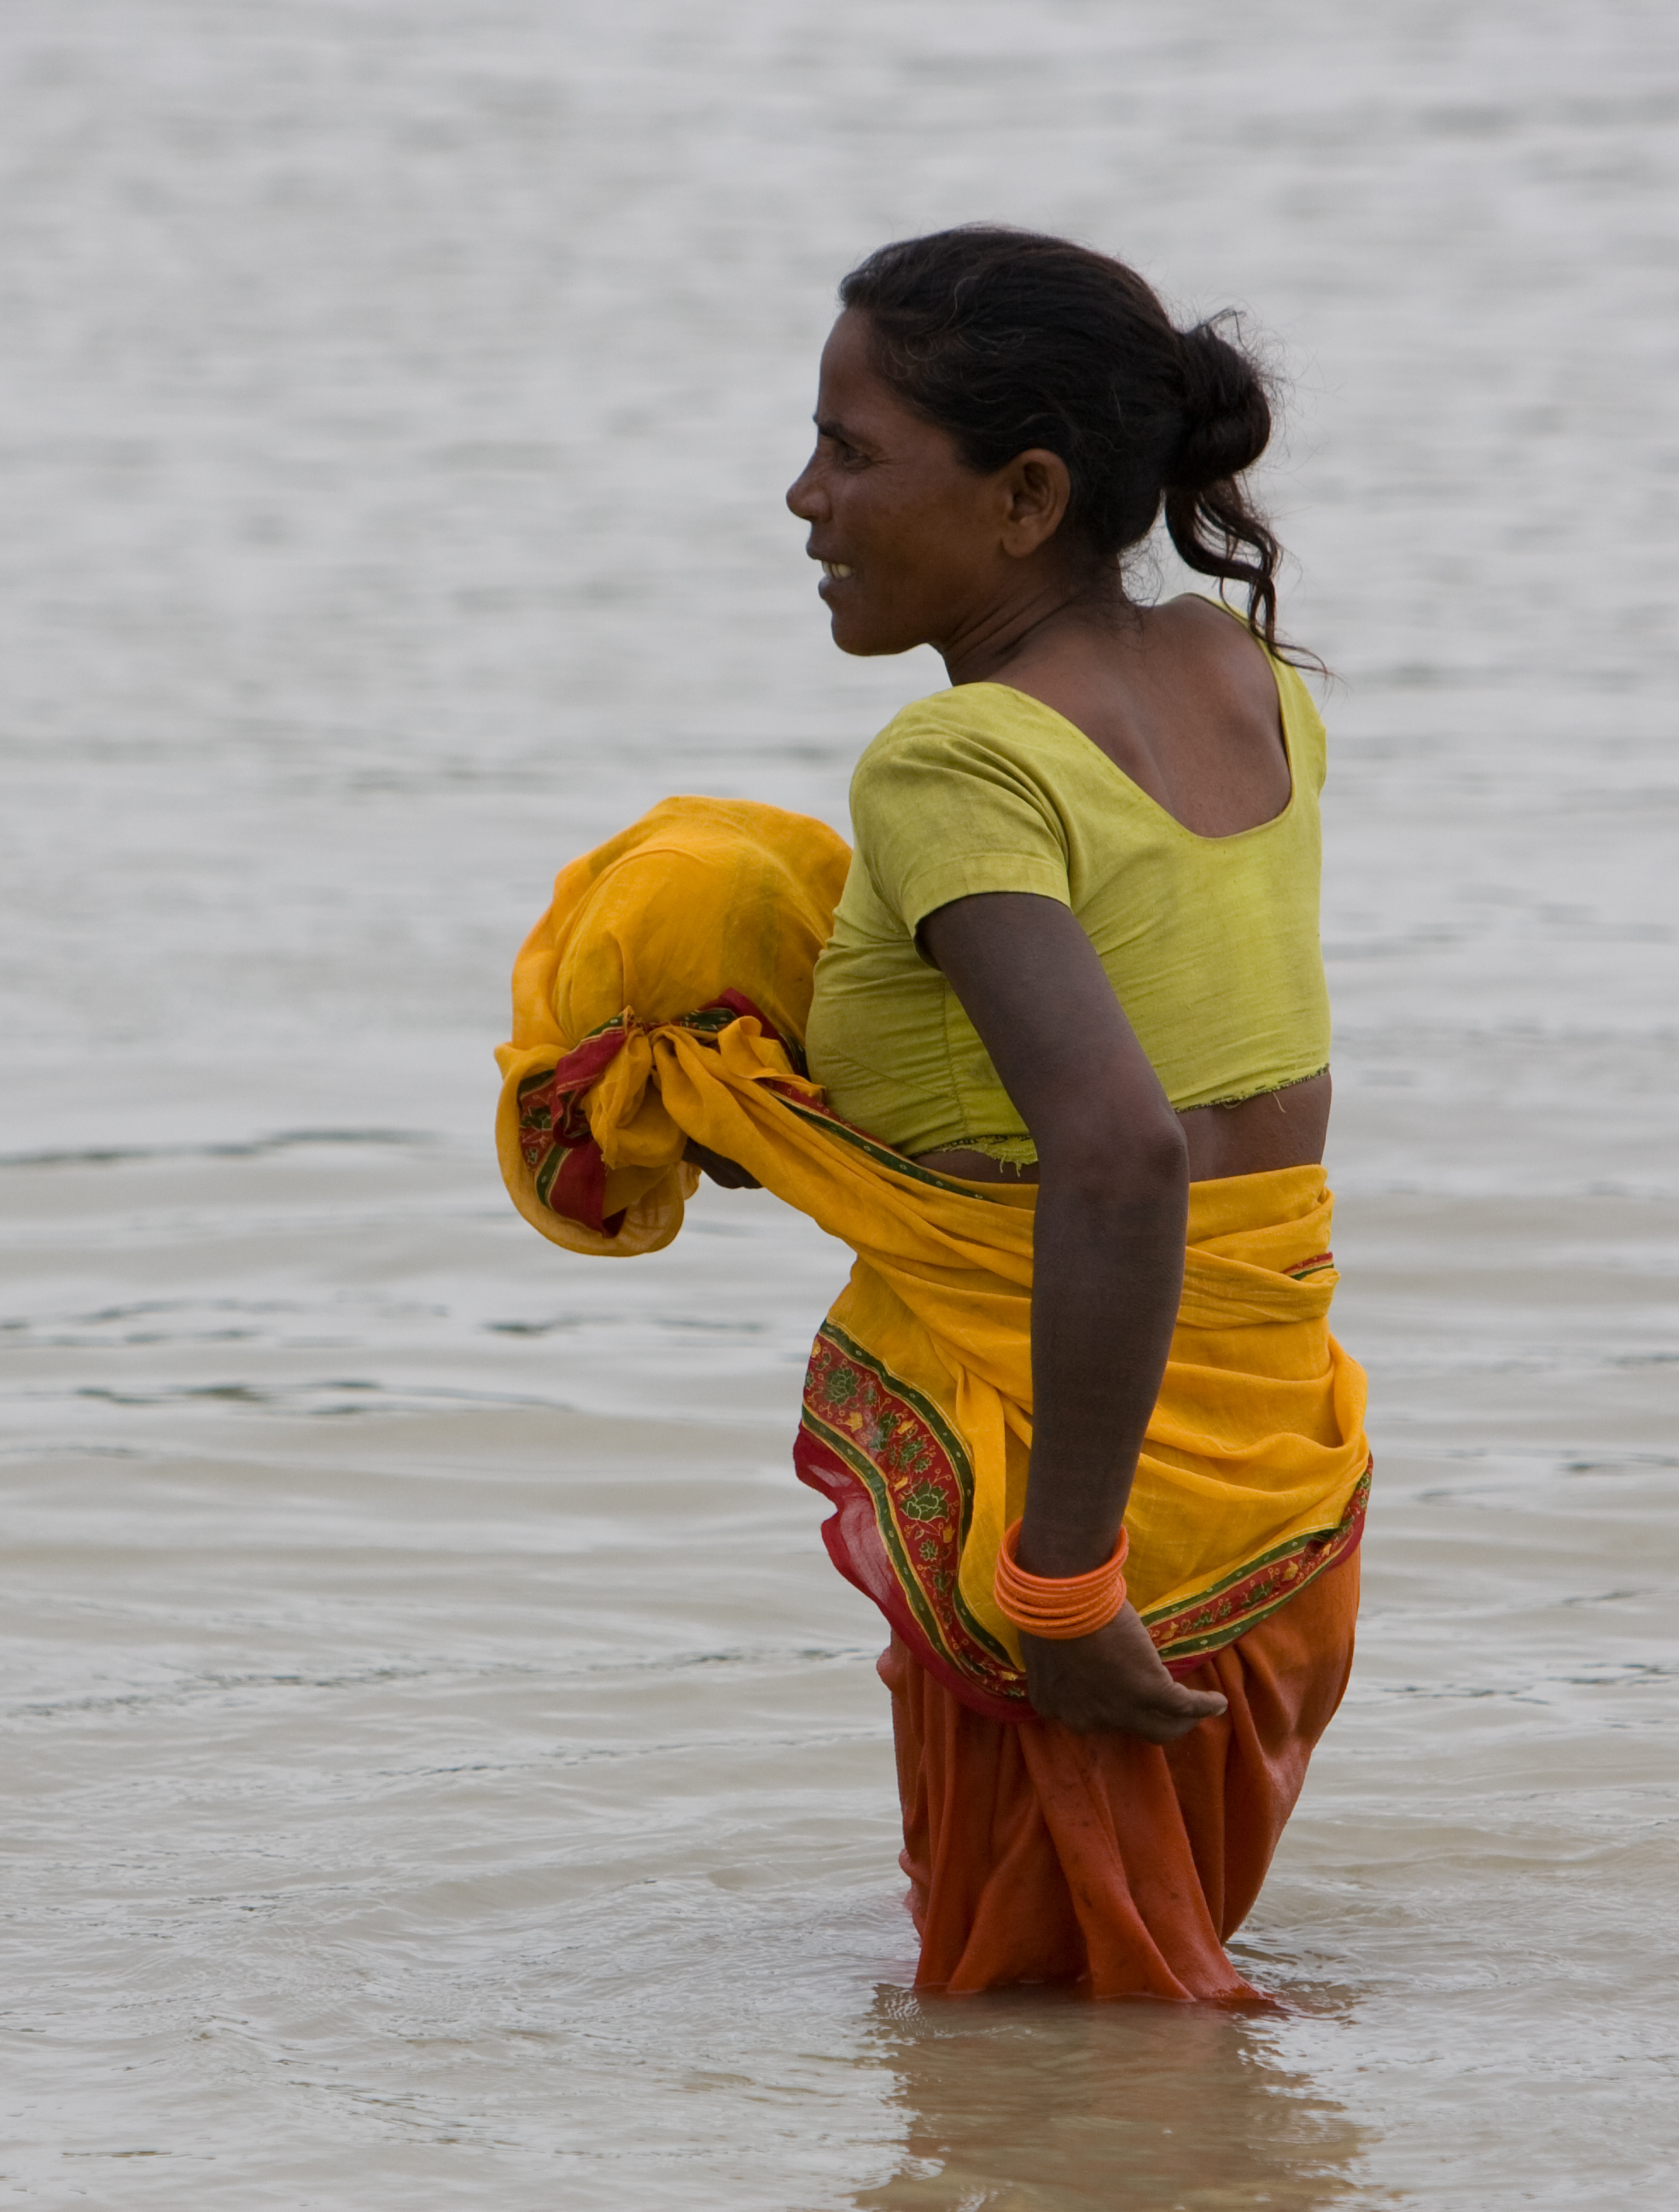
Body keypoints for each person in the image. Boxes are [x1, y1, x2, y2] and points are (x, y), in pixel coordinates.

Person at [494, 227, 1366, 1999]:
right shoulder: (1239, 676)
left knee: (1037, 2036)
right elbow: (1216, 1078)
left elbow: (1121, 1150)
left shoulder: (954, 761)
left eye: (853, 449)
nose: (802, 495)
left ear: (1026, 495)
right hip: (1274, 1482)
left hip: (1077, 1496)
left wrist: (1060, 1582)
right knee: (1124, 2049)